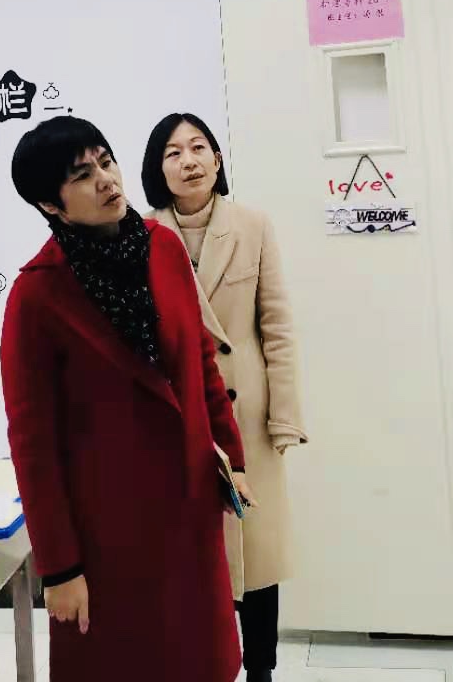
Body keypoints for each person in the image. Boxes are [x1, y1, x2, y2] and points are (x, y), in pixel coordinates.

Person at [2, 116, 251, 682]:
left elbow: (200, 362)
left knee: (200, 660)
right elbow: (33, 444)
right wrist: (59, 567)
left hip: (188, 507)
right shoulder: (36, 293)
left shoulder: (162, 248)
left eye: (106, 161)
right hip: (106, 530)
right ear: (50, 205)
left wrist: (231, 458)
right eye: (82, 175)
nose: (106, 180)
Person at [142, 112, 308, 682]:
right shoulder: (144, 236)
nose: (188, 161)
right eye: (173, 152)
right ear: (158, 169)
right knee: (195, 556)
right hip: (181, 412)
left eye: (199, 148)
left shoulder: (252, 225)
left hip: (248, 414)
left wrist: (284, 416)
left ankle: (261, 670)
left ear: (217, 159)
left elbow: (276, 326)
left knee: (257, 558)